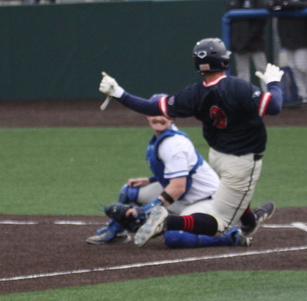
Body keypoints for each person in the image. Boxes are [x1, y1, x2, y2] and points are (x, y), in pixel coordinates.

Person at [98, 38, 281, 248]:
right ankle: (167, 222)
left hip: (217, 155)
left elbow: (150, 107)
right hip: (241, 161)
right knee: (220, 225)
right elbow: (274, 106)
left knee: (231, 190)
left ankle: (250, 220)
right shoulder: (237, 87)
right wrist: (274, 82)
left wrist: (119, 93)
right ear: (223, 61)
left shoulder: (192, 94)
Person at [88, 113, 251, 248]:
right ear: (147, 116)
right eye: (154, 113)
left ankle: (230, 236)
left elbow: (179, 187)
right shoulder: (161, 139)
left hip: (205, 201)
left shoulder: (175, 144)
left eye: (164, 114)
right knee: (129, 192)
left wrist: (146, 210)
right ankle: (116, 232)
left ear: (172, 117)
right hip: (182, 195)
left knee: (175, 238)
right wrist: (150, 180)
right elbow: (177, 175)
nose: (158, 118)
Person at [226, 0, 268, 89]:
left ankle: (267, 98)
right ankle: (245, 99)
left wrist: (251, 36)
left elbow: (262, 19)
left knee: (262, 70)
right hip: (239, 42)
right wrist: (236, 40)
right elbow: (229, 21)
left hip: (255, 40)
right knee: (242, 73)